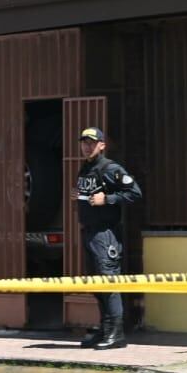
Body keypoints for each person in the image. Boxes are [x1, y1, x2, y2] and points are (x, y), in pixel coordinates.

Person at [74, 127, 143, 350]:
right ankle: (104, 329)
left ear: (102, 145)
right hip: (89, 232)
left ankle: (117, 333)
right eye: (84, 142)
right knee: (97, 284)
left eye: (91, 142)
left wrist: (109, 199)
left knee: (109, 282)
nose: (87, 146)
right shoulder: (86, 169)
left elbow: (135, 193)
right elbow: (91, 196)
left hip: (106, 233)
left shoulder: (110, 168)